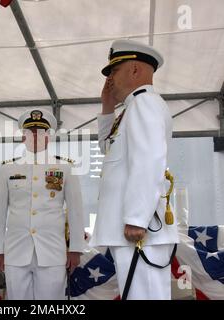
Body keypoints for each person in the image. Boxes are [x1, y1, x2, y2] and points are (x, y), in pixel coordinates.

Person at [90, 40, 179, 300]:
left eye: (113, 72)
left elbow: (149, 160)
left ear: (135, 70)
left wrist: (137, 218)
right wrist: (107, 107)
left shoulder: (144, 103)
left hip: (140, 230)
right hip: (133, 228)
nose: (110, 81)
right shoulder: (131, 108)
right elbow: (109, 150)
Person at [0, 109, 85, 300]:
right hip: (16, 251)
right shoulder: (7, 168)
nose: (35, 135)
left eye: (41, 132)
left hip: (52, 251)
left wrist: (75, 248)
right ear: (23, 137)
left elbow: (76, 211)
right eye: (31, 132)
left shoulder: (65, 167)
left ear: (48, 137)